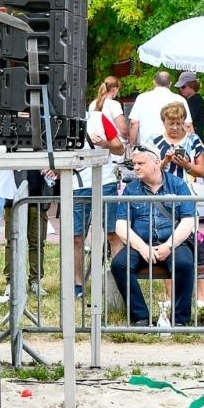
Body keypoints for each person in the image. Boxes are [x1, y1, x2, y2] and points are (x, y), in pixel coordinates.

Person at [113, 143, 197, 326]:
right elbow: (121, 225)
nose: (135, 168)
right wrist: (142, 247)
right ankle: (140, 317)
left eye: (140, 163)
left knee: (184, 263)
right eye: (134, 164)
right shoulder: (131, 189)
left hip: (173, 242)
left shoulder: (178, 185)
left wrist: (168, 246)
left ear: (156, 163)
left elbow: (188, 221)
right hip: (141, 242)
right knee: (119, 264)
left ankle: (180, 320)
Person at [69, 76, 129, 298]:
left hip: (104, 181)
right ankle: (77, 284)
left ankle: (119, 282)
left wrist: (103, 143)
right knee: (76, 236)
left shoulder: (98, 118)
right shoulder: (62, 122)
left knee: (113, 232)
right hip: (76, 184)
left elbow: (119, 148)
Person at [154, 100, 204, 307]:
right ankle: (170, 294)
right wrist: (165, 162)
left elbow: (202, 171)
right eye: (171, 123)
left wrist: (187, 165)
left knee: (195, 242)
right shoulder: (155, 141)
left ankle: (201, 294)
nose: (175, 127)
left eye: (178, 123)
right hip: (162, 198)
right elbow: (151, 170)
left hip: (187, 196)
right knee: (166, 242)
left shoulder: (194, 140)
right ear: (164, 122)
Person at [128, 70, 178, 148]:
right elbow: (187, 125)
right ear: (170, 83)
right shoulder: (179, 99)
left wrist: (132, 146)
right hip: (173, 148)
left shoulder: (142, 98)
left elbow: (134, 123)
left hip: (148, 148)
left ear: (154, 82)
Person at [176, 71, 204, 140]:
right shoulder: (190, 100)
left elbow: (186, 119)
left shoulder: (196, 100)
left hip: (194, 139)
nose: (180, 89)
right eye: (180, 87)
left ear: (191, 85)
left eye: (183, 87)